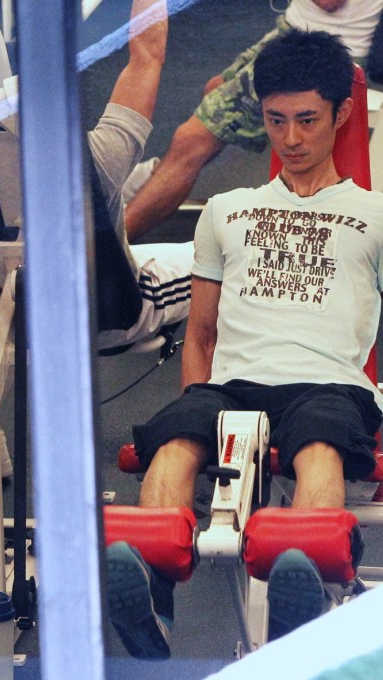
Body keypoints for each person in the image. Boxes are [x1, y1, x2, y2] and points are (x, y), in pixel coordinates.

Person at [106, 29, 383, 659]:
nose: (291, 138)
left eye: (308, 120)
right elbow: (200, 332)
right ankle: (152, 600)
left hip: (331, 386)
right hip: (230, 386)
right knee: (173, 443)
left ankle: (303, 588)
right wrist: (197, 403)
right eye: (276, 120)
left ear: (340, 115)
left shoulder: (375, 216)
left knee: (319, 446)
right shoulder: (225, 211)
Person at [0, 0, 192, 473]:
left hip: (3, 317)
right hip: (111, 320)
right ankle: (206, 436)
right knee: (234, 251)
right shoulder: (101, 156)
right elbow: (148, 53)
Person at [124, 0, 383, 242]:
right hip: (296, 31)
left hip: (321, 52)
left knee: (192, 141)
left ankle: (109, 250)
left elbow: (329, 2)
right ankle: (156, 181)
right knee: (214, 90)